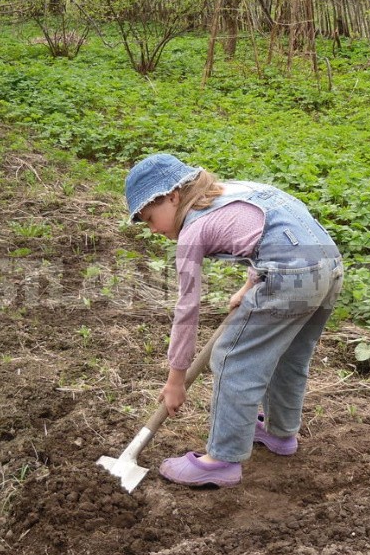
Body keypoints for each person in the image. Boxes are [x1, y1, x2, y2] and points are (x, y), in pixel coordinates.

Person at [124, 153, 344, 488]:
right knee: (289, 356)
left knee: (231, 358)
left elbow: (187, 310)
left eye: (150, 217)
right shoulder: (235, 189)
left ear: (172, 196)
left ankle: (221, 461)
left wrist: (176, 379)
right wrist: (250, 283)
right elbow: (281, 225)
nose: (152, 229)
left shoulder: (192, 231)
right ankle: (280, 434)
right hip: (329, 265)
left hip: (288, 274)